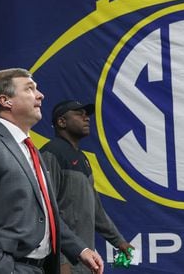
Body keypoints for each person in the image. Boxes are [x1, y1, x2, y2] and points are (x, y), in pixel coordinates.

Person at [0, 68, 104, 274]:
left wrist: (80, 249)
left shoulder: (32, 151)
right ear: (6, 101)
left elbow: (47, 215)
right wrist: (4, 269)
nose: (40, 95)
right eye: (30, 89)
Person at [40, 100, 134, 274]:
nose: (86, 118)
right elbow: (45, 212)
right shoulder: (51, 153)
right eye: (78, 113)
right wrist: (60, 262)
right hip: (63, 263)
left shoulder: (83, 159)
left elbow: (96, 210)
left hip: (84, 260)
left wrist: (119, 241)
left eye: (87, 114)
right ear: (62, 122)